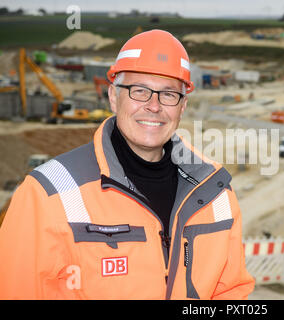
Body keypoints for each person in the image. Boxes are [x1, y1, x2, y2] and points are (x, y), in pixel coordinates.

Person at [0, 30, 255, 300]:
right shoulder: (46, 195)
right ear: (113, 96)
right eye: (140, 91)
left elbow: (231, 293)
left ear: (182, 106)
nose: (154, 106)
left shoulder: (215, 191)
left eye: (168, 94)